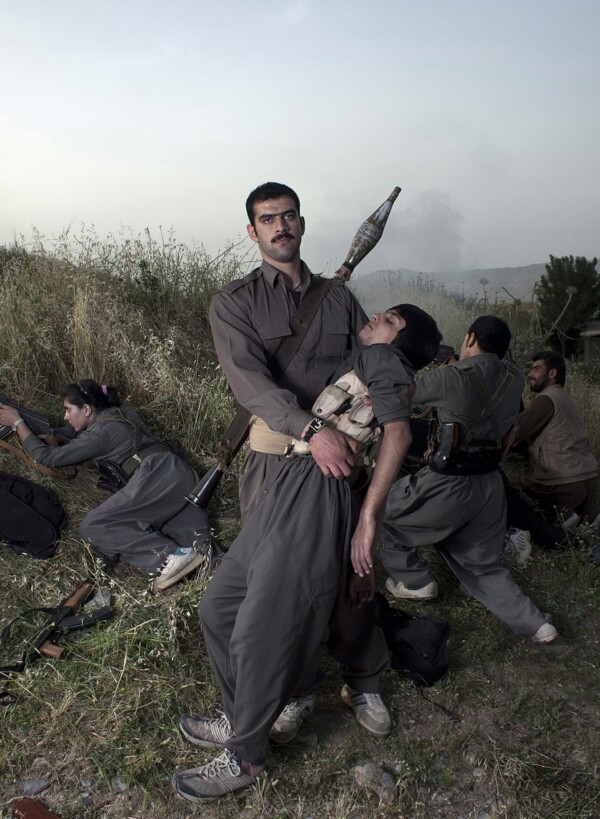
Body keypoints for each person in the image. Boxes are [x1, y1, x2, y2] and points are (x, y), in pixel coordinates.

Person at [171, 181, 440, 804]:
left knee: (310, 595)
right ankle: (249, 714)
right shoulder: (233, 302)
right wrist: (314, 429)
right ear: (253, 232)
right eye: (268, 219)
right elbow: (253, 386)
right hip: (275, 461)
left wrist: (361, 481)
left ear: (300, 222)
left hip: (326, 473)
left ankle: (266, 737)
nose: (280, 226)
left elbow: (377, 378)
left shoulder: (342, 300)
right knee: (234, 606)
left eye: (289, 215)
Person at [377, 316, 558, 645]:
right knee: (482, 566)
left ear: (471, 337)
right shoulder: (515, 376)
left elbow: (400, 393)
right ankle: (536, 625)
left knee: (376, 515)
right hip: (489, 488)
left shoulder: (450, 377)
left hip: (448, 483)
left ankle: (415, 581)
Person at [0, 380, 213, 591]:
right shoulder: (118, 414)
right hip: (177, 477)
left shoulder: (101, 433)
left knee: (94, 526)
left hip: (156, 476)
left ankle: (169, 557)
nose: (65, 416)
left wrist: (18, 423)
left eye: (68, 410)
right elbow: (82, 438)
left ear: (86, 409)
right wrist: (52, 436)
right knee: (205, 551)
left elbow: (45, 457)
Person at [508, 350, 600, 531]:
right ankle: (589, 514)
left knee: (511, 487)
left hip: (564, 483)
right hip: (588, 479)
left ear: (552, 374)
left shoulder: (546, 399)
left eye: (536, 369)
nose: (530, 374)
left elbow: (514, 433)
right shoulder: (564, 398)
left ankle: (561, 516)